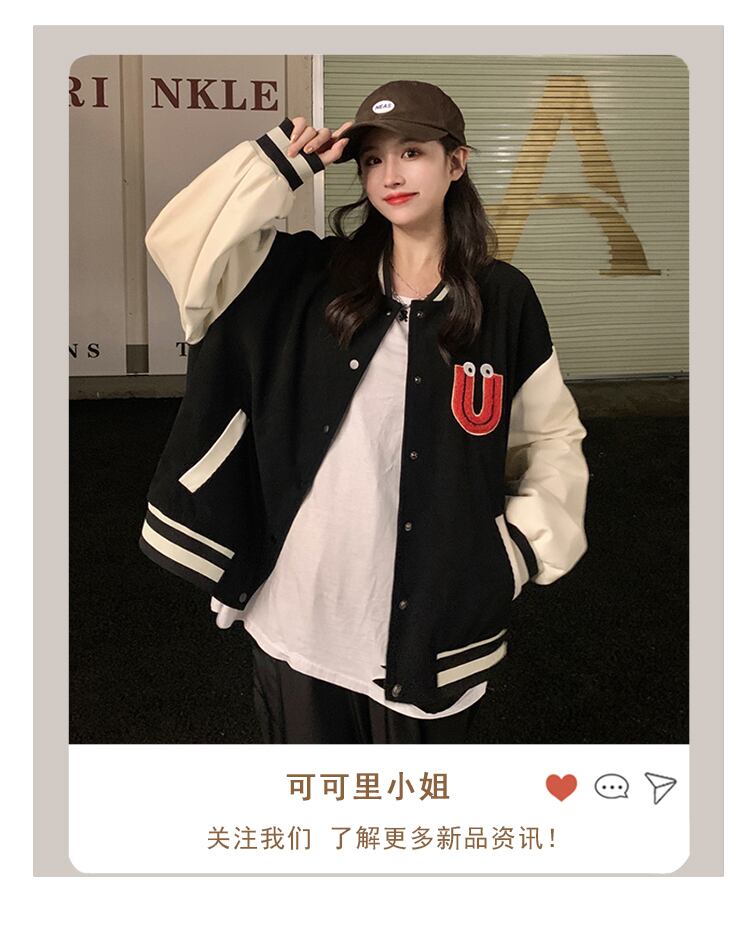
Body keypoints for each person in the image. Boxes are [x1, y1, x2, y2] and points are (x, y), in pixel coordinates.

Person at [140, 80, 590, 744]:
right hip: (298, 615)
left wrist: (519, 550)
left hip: (432, 628)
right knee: (314, 801)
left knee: (416, 804)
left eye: (411, 152)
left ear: (456, 163)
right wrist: (277, 164)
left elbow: (549, 438)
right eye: (373, 159)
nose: (390, 176)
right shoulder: (307, 277)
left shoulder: (503, 299)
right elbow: (182, 246)